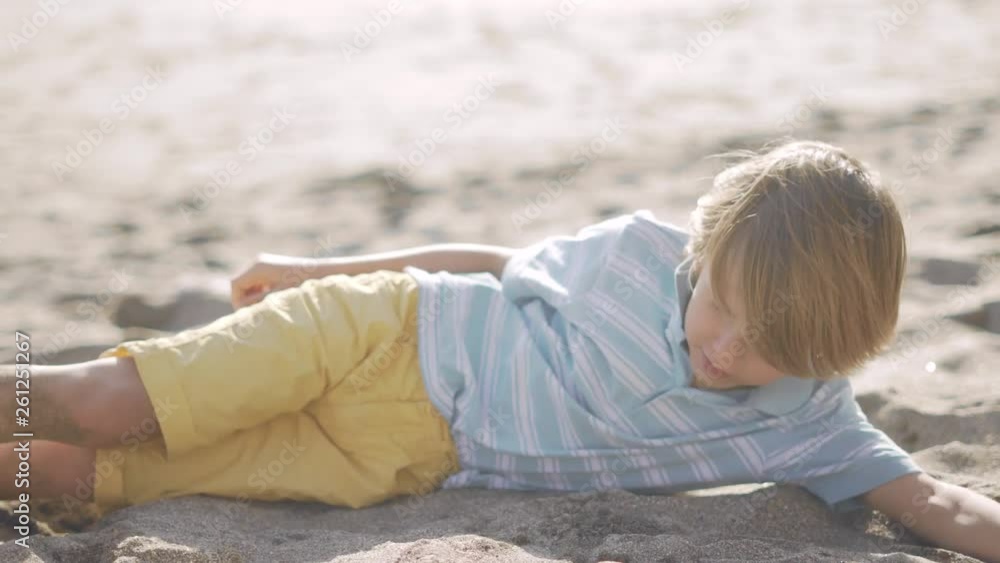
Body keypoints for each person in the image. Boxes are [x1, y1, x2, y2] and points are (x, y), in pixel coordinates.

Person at [2, 140, 998, 561]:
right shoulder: (639, 256)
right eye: (721, 306)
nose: (727, 348)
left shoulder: (816, 427)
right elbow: (493, 263)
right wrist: (318, 270)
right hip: (377, 333)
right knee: (105, 403)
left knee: (84, 476)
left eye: (770, 345)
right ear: (705, 254)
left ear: (829, 347)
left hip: (391, 460)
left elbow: (937, 502)